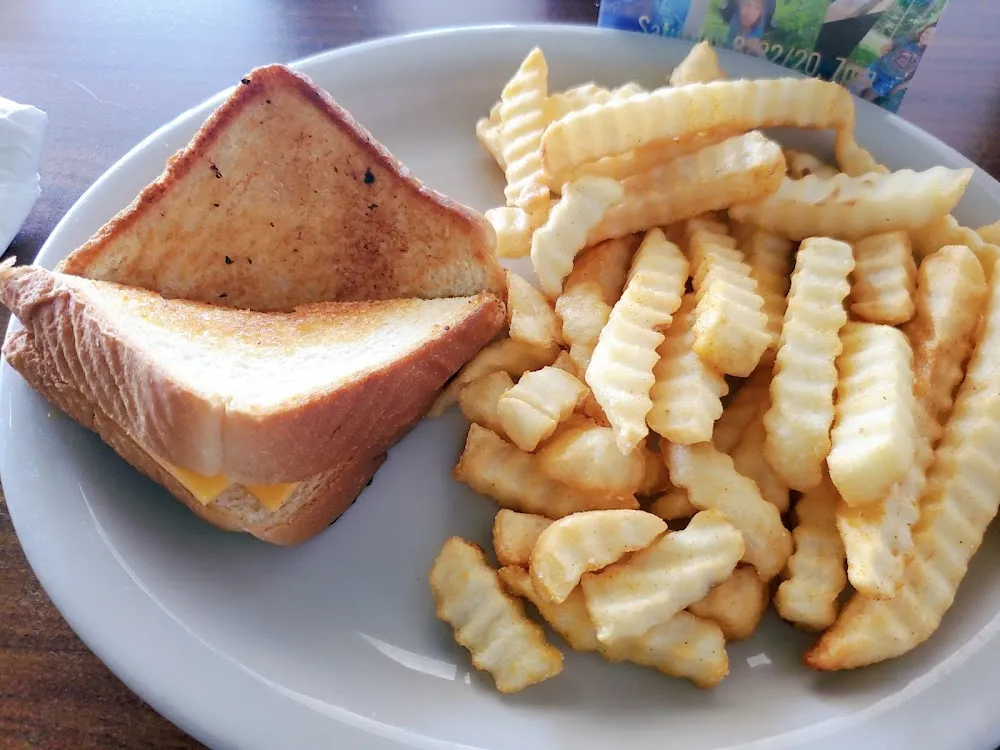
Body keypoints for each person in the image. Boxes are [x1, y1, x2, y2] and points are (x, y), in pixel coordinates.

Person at [849, 23, 936, 103]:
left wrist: (898, 87)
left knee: (865, 100)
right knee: (853, 89)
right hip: (877, 69)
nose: (927, 36)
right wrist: (883, 56)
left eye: (932, 35)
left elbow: (914, 77)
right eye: (927, 32)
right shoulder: (908, 40)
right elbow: (887, 47)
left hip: (889, 81)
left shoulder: (927, 57)